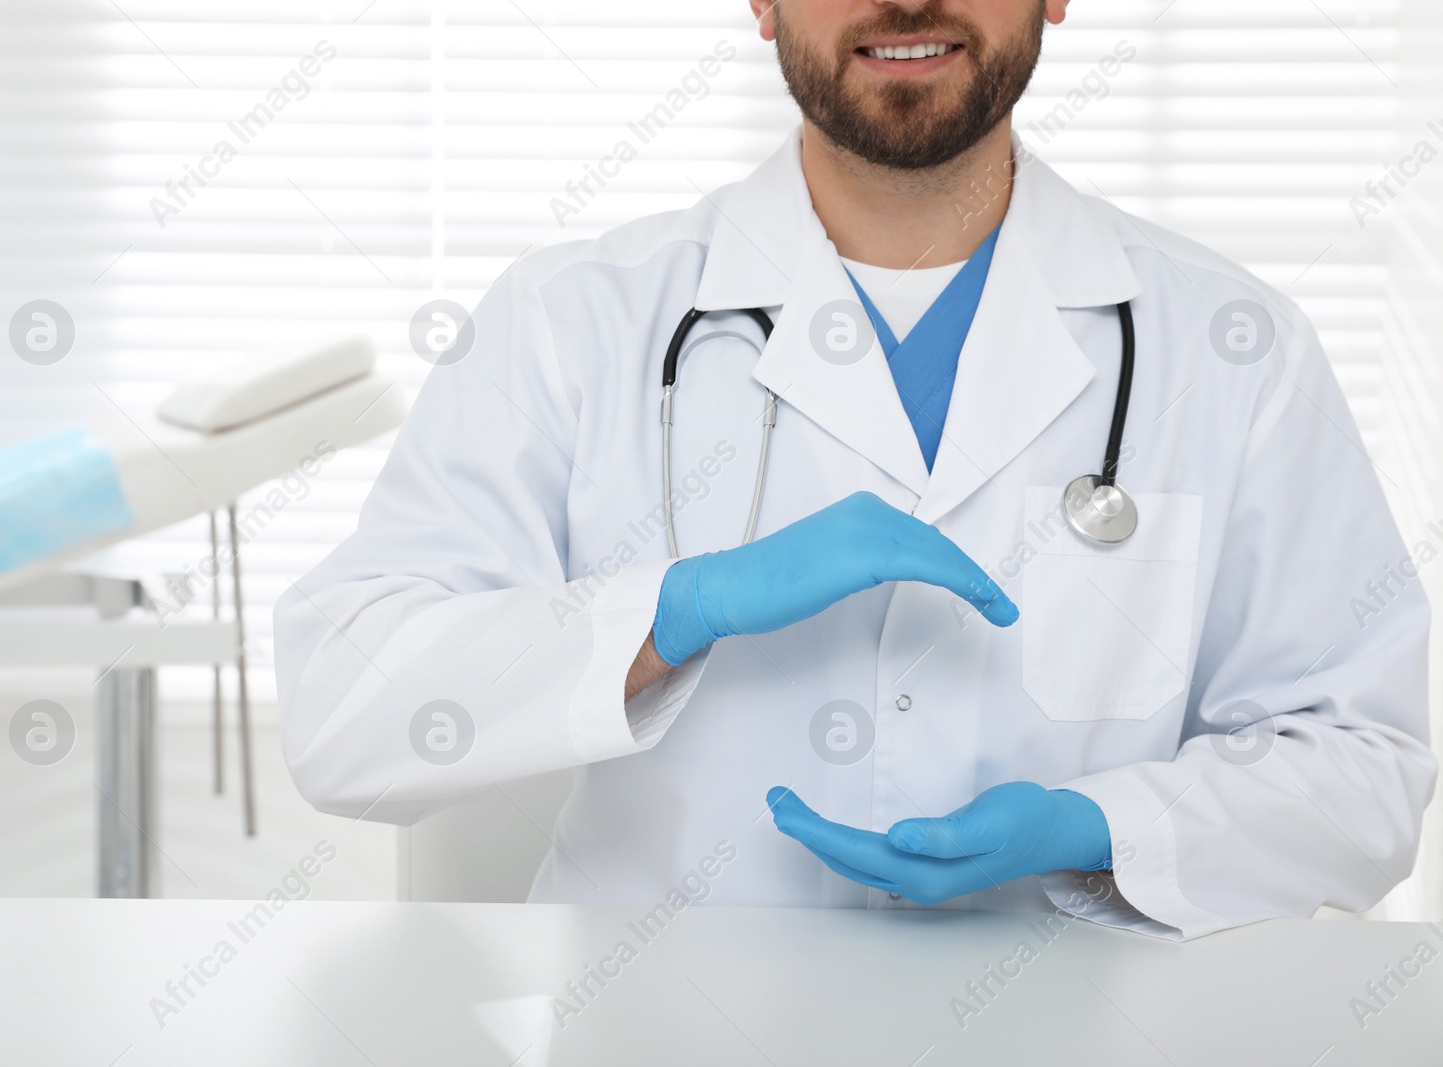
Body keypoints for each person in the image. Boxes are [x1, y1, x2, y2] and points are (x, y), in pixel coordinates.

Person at [273, 0, 1434, 939]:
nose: (906, 0)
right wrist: (671, 610)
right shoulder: (572, 321)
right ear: (761, 4)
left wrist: (1103, 822)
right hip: (661, 1022)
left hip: (1078, 1027)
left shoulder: (1232, 347)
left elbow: (1363, 764)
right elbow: (342, 712)